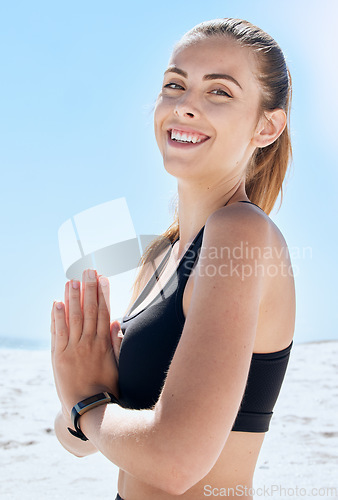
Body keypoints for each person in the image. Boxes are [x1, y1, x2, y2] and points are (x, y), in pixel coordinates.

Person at [51, 18, 296, 500]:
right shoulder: (159, 257)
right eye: (174, 85)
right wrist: (86, 394)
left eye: (219, 92)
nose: (185, 106)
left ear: (266, 126)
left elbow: (175, 461)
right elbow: (78, 441)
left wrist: (86, 401)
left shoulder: (240, 234)